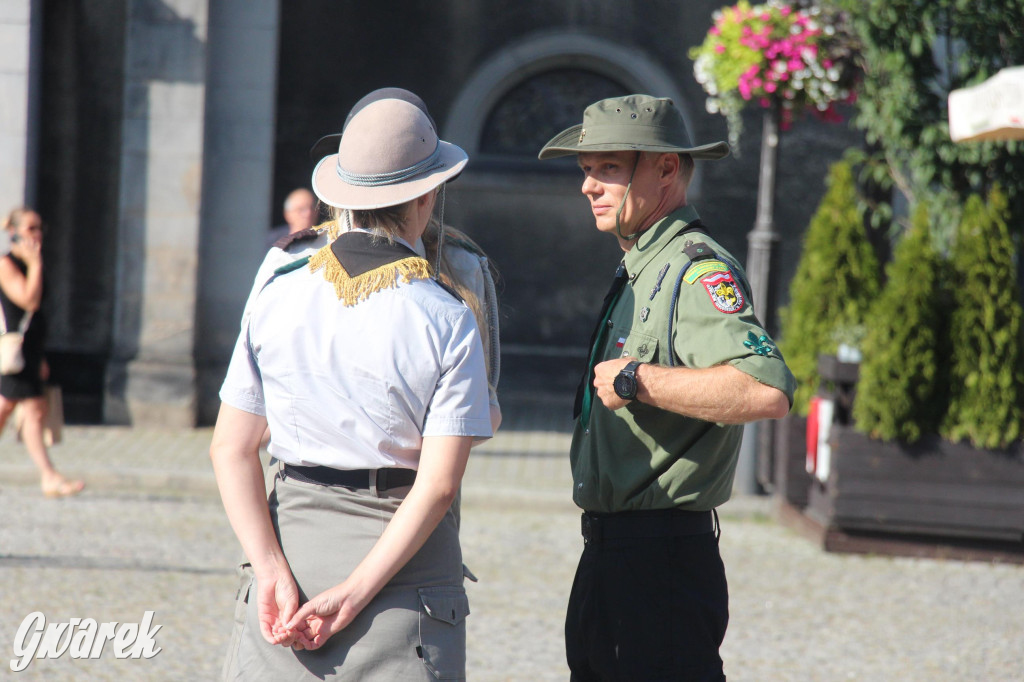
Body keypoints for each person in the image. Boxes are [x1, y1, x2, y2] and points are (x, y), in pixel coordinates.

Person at [212, 96, 492, 680]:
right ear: (425, 195)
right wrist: (355, 591)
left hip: (291, 549)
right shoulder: (447, 314)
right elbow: (439, 485)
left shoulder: (277, 284)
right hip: (402, 572)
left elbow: (231, 448)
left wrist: (269, 571)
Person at [537, 94, 796, 681]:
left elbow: (766, 389)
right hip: (613, 553)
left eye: (608, 169)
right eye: (586, 171)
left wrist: (638, 379)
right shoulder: (643, 262)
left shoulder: (696, 269)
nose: (589, 187)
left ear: (666, 169)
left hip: (662, 563)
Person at [244, 87, 501, 431]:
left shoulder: (462, 263)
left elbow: (485, 408)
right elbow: (248, 405)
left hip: (426, 469)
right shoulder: (294, 258)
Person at [0, 208, 83, 498]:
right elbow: (29, 300)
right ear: (15, 231)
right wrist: (35, 265)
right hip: (12, 353)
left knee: (22, 410)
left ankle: (49, 476)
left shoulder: (30, 263)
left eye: (40, 228)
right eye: (31, 228)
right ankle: (49, 476)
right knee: (27, 410)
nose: (37, 235)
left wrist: (42, 357)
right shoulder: (6, 264)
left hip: (30, 351)